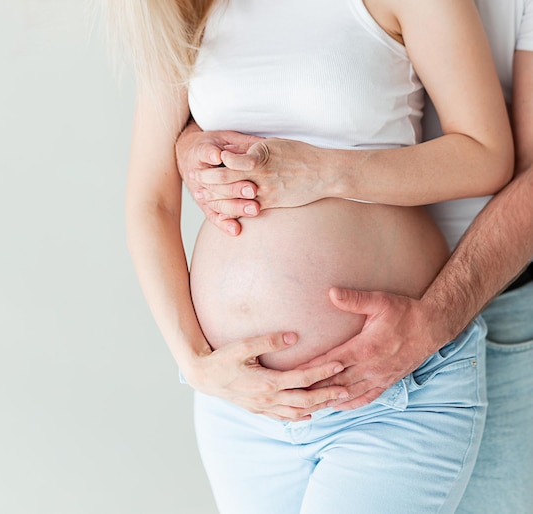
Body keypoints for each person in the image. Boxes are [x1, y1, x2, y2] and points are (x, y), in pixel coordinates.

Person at [117, 0, 513, 512]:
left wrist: (325, 171)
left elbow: (486, 154)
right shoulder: (185, 7)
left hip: (389, 393)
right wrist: (194, 363)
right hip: (243, 408)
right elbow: (150, 202)